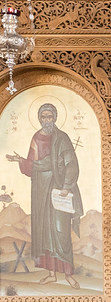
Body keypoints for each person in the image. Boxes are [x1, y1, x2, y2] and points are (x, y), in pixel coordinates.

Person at [6, 102, 84, 289]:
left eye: (49, 116)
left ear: (55, 118)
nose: (46, 120)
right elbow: (32, 165)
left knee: (61, 231)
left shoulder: (62, 138)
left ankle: (68, 274)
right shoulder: (36, 137)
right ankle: (51, 274)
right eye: (43, 117)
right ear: (39, 119)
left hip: (58, 189)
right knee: (45, 232)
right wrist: (21, 161)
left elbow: (71, 163)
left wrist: (66, 186)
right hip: (40, 190)